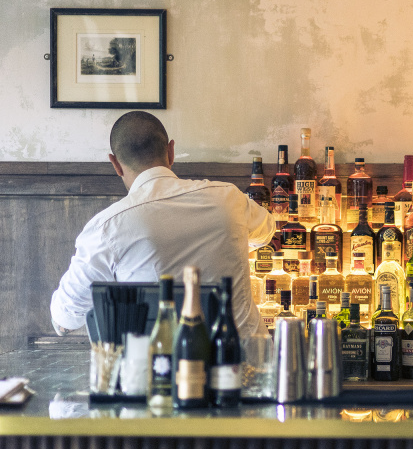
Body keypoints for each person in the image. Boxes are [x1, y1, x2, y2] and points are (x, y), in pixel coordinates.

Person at [51, 111, 275, 339]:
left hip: (162, 358)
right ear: (171, 152)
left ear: (116, 164)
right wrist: (230, 242)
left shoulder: (108, 228)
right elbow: (267, 232)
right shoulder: (229, 198)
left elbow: (66, 317)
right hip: (249, 356)